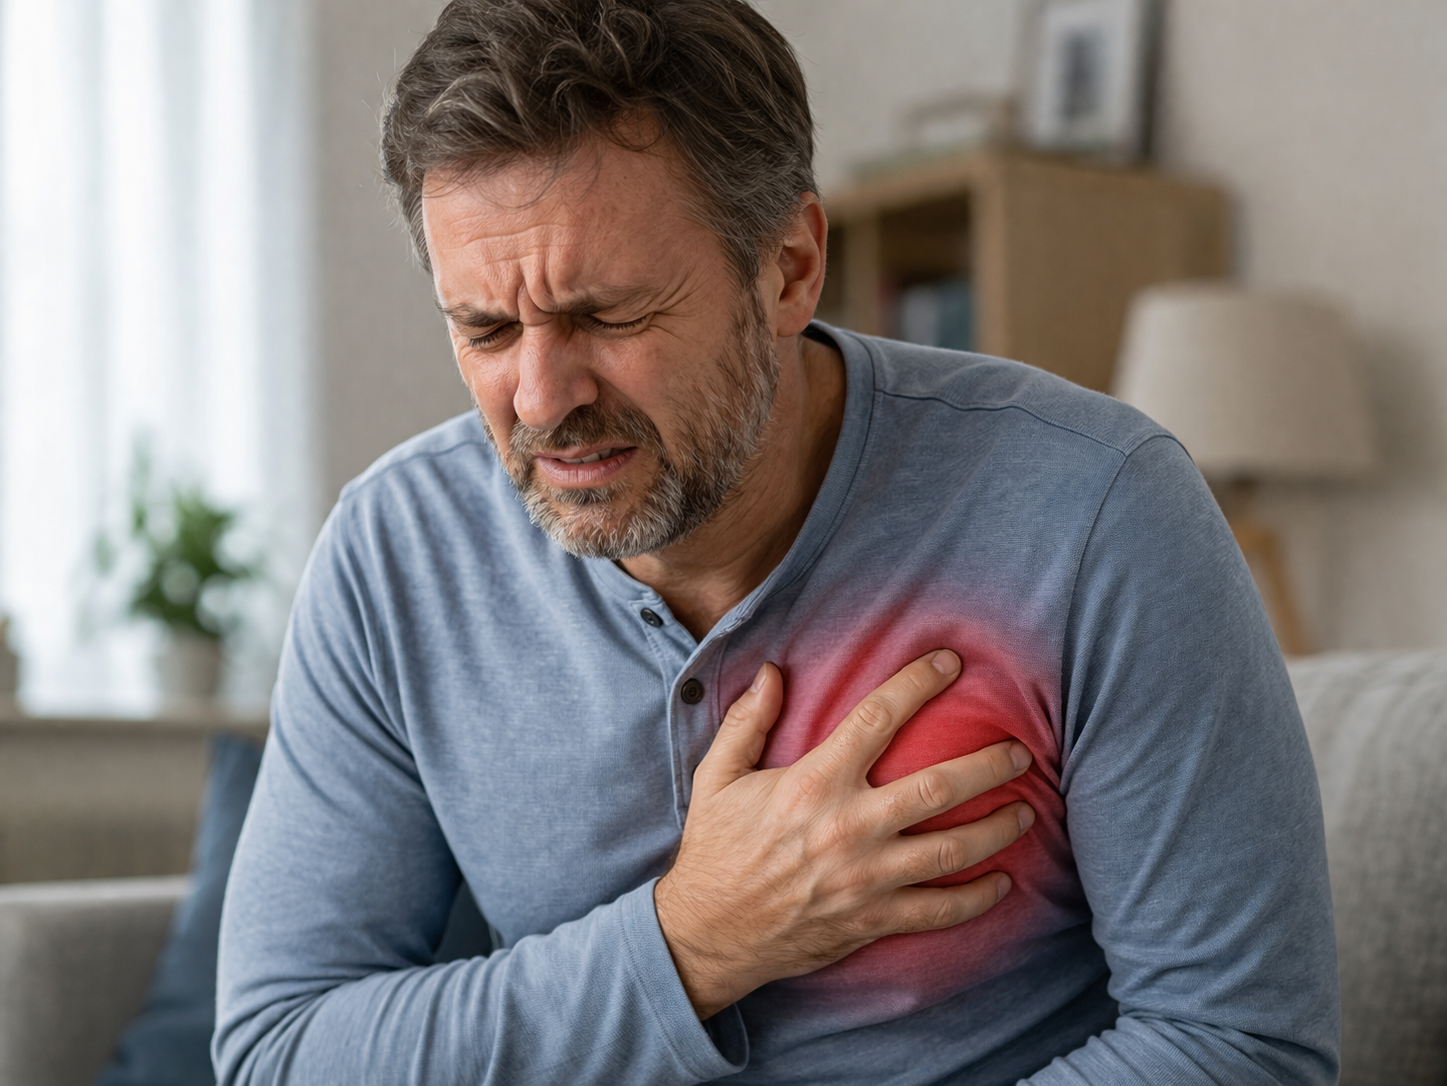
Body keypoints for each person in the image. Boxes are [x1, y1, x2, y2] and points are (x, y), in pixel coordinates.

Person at [214, 1, 1340, 1083]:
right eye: (487, 329)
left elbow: (1238, 1042)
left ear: (790, 269)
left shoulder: (1096, 513)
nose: (542, 396)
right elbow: (278, 1053)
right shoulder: (391, 559)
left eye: (609, 315)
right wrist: (689, 944)